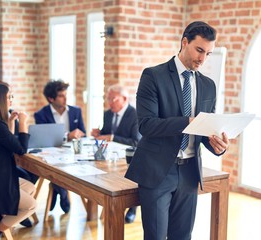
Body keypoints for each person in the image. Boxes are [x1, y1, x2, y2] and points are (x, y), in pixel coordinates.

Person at [125, 21, 230, 240]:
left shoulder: (209, 85)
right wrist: (189, 121)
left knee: (182, 237)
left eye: (208, 54)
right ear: (184, 42)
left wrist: (217, 145)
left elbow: (204, 133)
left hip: (190, 173)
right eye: (199, 50)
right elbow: (146, 125)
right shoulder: (153, 76)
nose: (202, 59)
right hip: (158, 171)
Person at [0, 81, 36, 239]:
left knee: (30, 187)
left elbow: (7, 145)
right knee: (30, 206)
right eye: (9, 96)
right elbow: (21, 149)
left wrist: (11, 123)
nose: (11, 99)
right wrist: (23, 123)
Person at [91, 84, 141, 223]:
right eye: (108, 99)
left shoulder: (136, 115)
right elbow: (105, 134)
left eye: (113, 99)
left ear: (124, 99)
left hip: (130, 159)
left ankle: (132, 208)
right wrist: (98, 134)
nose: (110, 103)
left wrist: (111, 137)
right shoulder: (107, 114)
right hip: (111, 158)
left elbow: (136, 142)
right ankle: (110, 205)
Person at [34, 79, 86, 214]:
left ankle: (57, 190)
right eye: (61, 96)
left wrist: (79, 134)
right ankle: (63, 193)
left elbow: (83, 133)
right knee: (56, 168)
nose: (65, 98)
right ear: (51, 98)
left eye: (66, 94)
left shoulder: (76, 111)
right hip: (51, 154)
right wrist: (67, 136)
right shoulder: (41, 115)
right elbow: (43, 139)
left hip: (73, 153)